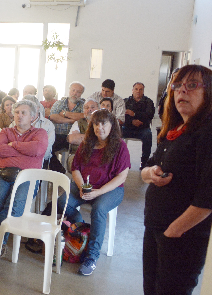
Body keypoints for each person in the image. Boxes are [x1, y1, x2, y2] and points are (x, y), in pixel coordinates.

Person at [141, 65, 212, 294]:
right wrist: (150, 174)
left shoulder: (207, 133)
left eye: (192, 85)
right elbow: (145, 168)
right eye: (177, 86)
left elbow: (207, 197)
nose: (182, 91)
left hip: (181, 238)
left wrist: (173, 232)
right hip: (155, 227)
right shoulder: (176, 129)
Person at [57, 109, 130, 276]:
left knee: (99, 210)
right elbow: (75, 168)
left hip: (110, 189)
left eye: (104, 123)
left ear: (112, 125)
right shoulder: (87, 143)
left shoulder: (120, 146)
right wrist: (82, 186)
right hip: (85, 186)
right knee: (62, 203)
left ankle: (92, 256)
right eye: (96, 124)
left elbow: (121, 177)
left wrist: (98, 192)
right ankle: (80, 227)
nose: (100, 127)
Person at [0, 100, 48, 261]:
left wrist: (14, 145)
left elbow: (38, 149)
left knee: (14, 207)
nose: (19, 116)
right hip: (3, 173)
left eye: (24, 113)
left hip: (28, 177)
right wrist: (25, 150)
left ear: (33, 116)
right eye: (17, 112)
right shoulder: (5, 131)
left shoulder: (40, 133)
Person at [48, 81, 86, 173]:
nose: (75, 93)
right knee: (47, 147)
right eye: (73, 90)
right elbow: (53, 117)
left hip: (74, 136)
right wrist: (71, 120)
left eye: (78, 92)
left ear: (81, 94)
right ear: (69, 90)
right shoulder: (59, 103)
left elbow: (84, 116)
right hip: (57, 134)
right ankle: (59, 170)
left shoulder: (84, 105)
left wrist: (65, 114)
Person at [123, 82, 155, 169]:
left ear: (143, 91)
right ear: (132, 90)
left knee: (148, 135)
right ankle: (120, 160)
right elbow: (122, 116)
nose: (138, 91)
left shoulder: (149, 102)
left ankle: (144, 162)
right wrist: (132, 121)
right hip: (128, 128)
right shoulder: (125, 101)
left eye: (141, 89)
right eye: (136, 89)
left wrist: (134, 114)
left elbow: (149, 116)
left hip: (142, 129)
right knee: (116, 132)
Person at [19, 95, 56, 168]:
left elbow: (46, 150)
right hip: (18, 160)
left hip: (39, 160)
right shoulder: (15, 123)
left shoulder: (47, 125)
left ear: (38, 108)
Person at [67, 99, 100, 169]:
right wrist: (97, 139)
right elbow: (72, 139)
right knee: (74, 161)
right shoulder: (78, 123)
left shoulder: (103, 124)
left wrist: (81, 137)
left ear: (99, 109)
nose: (89, 110)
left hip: (98, 154)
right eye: (86, 108)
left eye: (92, 107)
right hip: (78, 154)